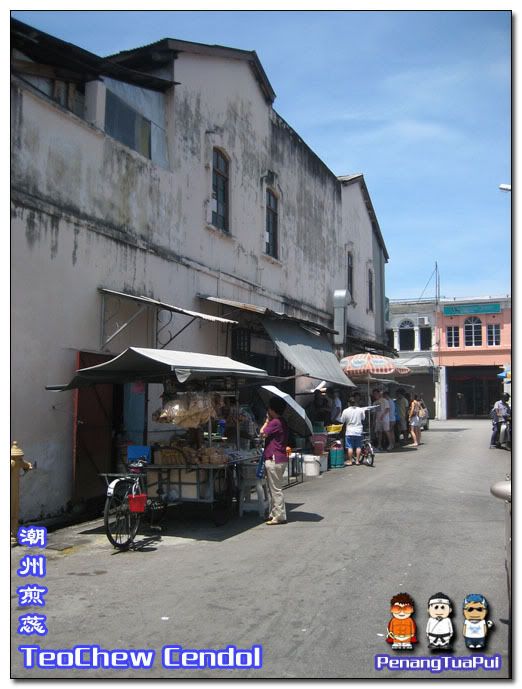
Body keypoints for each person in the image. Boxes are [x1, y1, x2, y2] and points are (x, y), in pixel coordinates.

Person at [260, 397, 289, 525]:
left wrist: (266, 421)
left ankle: (280, 516)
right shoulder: (282, 421)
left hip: (274, 458)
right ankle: (274, 513)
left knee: (275, 489)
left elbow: (262, 433)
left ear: (272, 409)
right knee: (273, 488)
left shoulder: (275, 422)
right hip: (279, 458)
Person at [340, 397, 366, 465]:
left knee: (350, 447)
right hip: (358, 430)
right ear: (355, 403)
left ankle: (350, 461)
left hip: (349, 431)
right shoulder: (360, 410)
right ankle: (357, 461)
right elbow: (363, 418)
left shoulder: (345, 411)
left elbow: (342, 421)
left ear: (348, 403)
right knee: (358, 446)